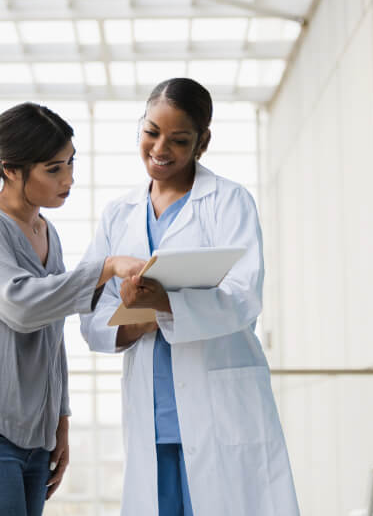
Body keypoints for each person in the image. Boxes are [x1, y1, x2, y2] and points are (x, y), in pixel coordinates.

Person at [80, 78, 300, 516]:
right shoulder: (118, 214)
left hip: (219, 405)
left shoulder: (228, 201)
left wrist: (164, 302)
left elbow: (243, 296)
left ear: (202, 143)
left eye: (179, 140)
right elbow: (90, 315)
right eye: (151, 132)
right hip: (153, 412)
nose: (161, 148)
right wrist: (142, 314)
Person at [0, 102, 145, 516]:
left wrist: (59, 425)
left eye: (70, 164)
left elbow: (50, 335)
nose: (68, 179)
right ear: (11, 169)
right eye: (53, 169)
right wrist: (107, 268)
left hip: (33, 441)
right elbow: (22, 306)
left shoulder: (48, 232)